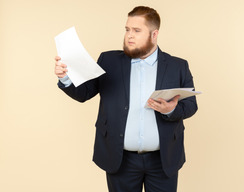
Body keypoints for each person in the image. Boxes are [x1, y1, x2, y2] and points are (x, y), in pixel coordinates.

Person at [55, 6, 198, 192]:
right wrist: (65, 77)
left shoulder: (177, 66)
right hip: (120, 160)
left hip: (163, 160)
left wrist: (170, 110)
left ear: (154, 34)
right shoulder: (108, 61)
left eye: (137, 31)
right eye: (127, 29)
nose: (129, 35)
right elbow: (85, 93)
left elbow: (191, 105)